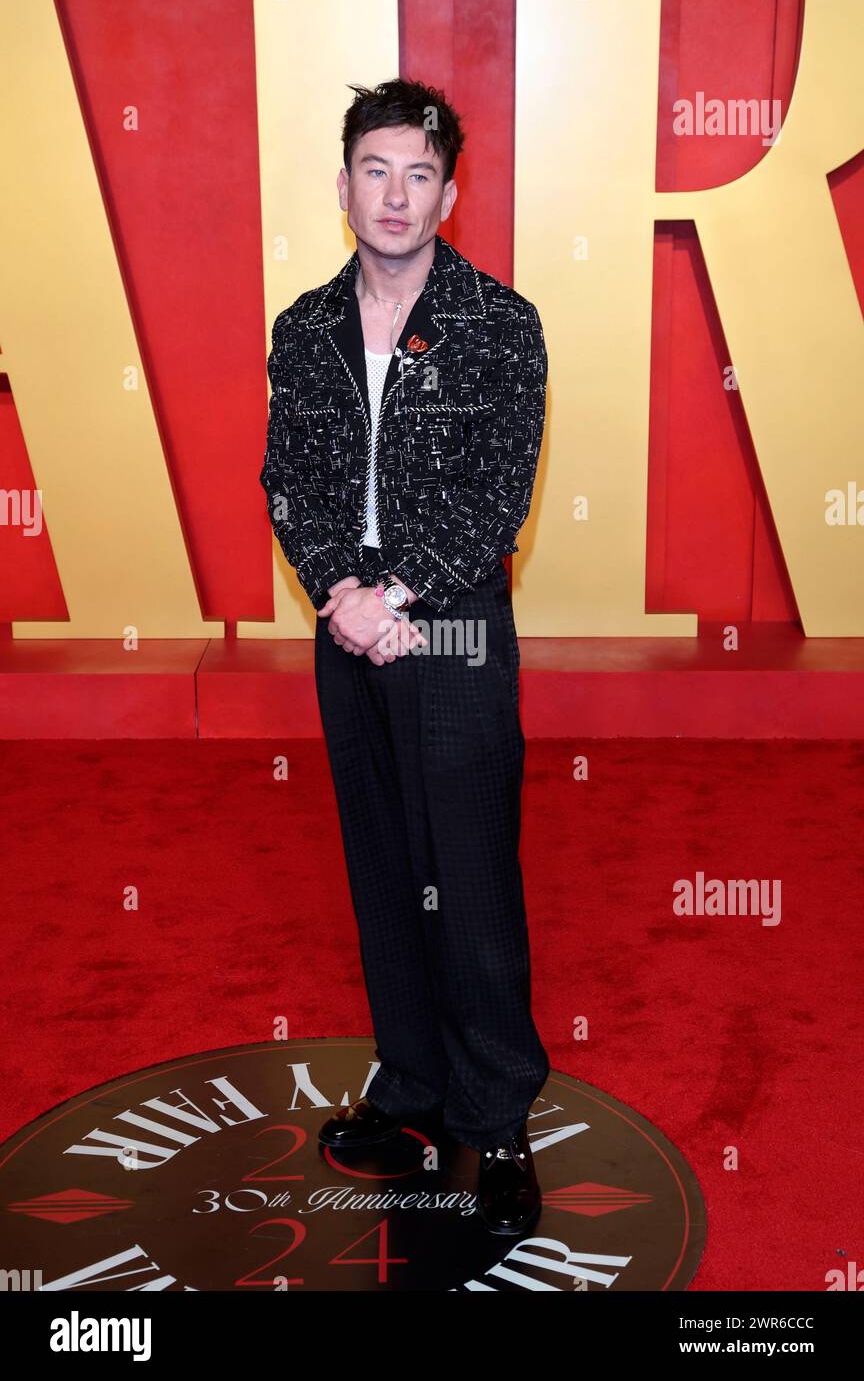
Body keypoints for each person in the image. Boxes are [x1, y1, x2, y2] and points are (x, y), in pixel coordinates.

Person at [260, 77, 549, 1235]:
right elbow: (292, 479)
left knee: (470, 876)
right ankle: (417, 1089)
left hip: (453, 621)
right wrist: (342, 590)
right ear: (344, 187)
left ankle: (498, 1119)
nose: (395, 193)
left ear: (449, 193)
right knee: (384, 867)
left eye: (418, 174)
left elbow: (498, 499)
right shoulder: (305, 327)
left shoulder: (501, 323)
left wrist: (397, 592)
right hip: (348, 624)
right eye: (375, 170)